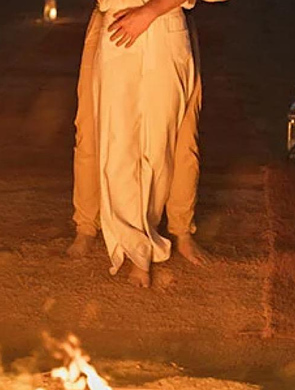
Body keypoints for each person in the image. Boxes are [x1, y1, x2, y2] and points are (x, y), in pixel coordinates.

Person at [67, 0, 217, 287]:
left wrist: (150, 12)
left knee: (168, 143)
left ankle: (172, 232)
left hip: (167, 26)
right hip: (114, 22)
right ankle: (95, 228)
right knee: (107, 137)